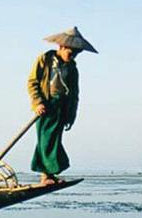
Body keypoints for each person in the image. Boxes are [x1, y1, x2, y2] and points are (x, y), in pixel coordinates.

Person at [27, 27, 98, 186]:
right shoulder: (45, 60)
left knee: (55, 140)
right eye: (71, 52)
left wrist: (71, 115)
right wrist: (38, 103)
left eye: (76, 54)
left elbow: (74, 94)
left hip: (62, 106)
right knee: (46, 140)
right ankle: (46, 176)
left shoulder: (73, 68)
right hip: (46, 105)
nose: (73, 56)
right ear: (61, 47)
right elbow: (32, 83)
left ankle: (50, 175)